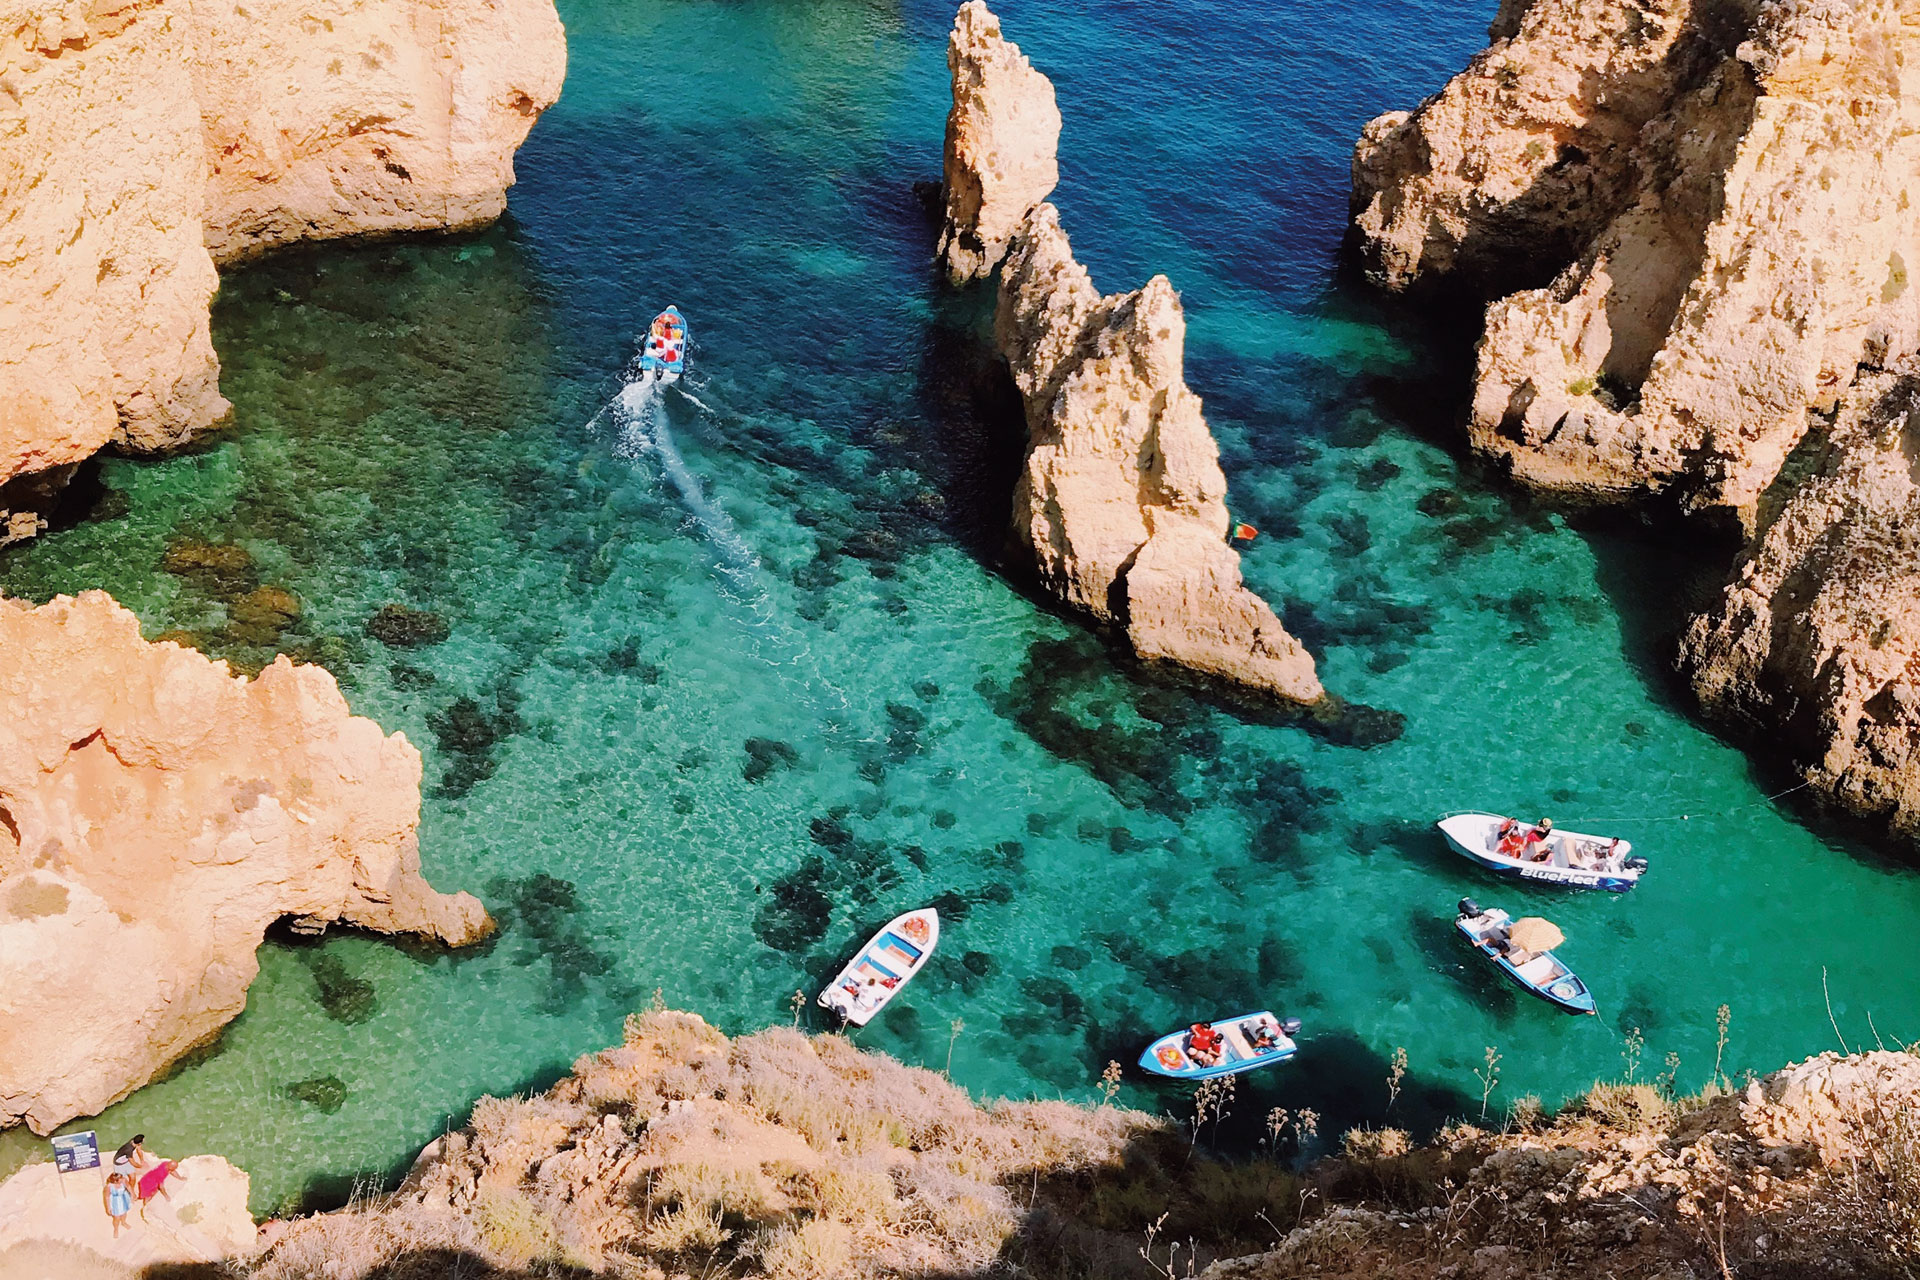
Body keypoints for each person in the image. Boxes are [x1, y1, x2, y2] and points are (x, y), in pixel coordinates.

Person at [104, 1171, 135, 1238]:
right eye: (120, 1178)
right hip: (115, 1201)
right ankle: (116, 1229)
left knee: (124, 1213)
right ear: (115, 1181)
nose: (122, 1179)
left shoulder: (123, 1180)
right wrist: (108, 1207)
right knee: (116, 1217)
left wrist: (132, 1195)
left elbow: (129, 1187)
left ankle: (123, 1223)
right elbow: (107, 1197)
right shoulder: (109, 1187)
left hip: (123, 1198)